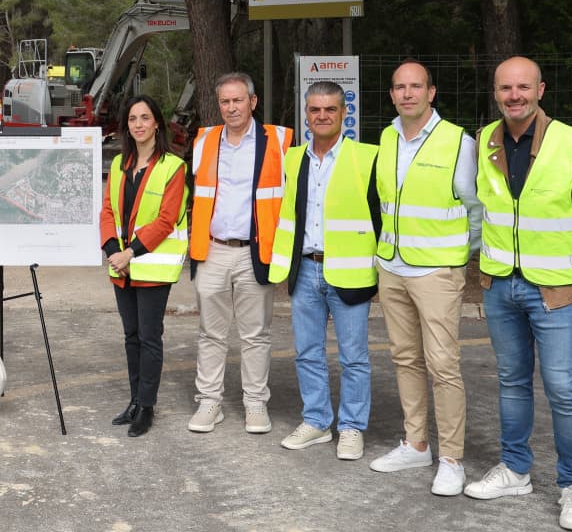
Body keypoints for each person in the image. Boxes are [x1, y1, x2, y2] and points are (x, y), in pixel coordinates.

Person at [463, 56, 572, 532]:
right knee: (511, 382)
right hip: (500, 284)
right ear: (495, 91)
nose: (514, 96)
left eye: (523, 87)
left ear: (541, 90)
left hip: (554, 290)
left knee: (564, 390)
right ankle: (515, 470)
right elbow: (483, 207)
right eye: (505, 88)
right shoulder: (485, 139)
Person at [367, 61, 483, 496]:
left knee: (443, 365)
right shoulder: (388, 136)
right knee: (405, 359)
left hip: (436, 270)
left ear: (431, 93)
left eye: (416, 86)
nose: (408, 93)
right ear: (392, 94)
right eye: (400, 87)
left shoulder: (459, 142)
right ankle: (416, 443)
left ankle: (451, 458)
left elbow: (477, 210)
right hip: (392, 267)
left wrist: (456, 258)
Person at [269, 81, 381, 461]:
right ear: (306, 114)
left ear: (343, 113)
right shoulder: (293, 158)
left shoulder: (367, 157)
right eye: (315, 110)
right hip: (304, 270)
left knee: (354, 357)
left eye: (330, 110)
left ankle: (351, 428)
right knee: (307, 353)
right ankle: (317, 421)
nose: (322, 116)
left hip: (349, 272)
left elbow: (379, 218)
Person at [186, 72, 294, 434]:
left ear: (253, 101)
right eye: (224, 102)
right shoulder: (204, 141)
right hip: (212, 249)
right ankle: (210, 402)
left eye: (237, 100)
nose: (231, 108)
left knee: (255, 334)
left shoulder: (278, 141)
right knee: (210, 333)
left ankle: (254, 404)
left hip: (255, 252)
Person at [99, 95, 190, 438]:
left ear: (157, 124)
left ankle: (147, 407)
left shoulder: (173, 167)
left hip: (150, 267)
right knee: (131, 337)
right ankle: (134, 400)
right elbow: (107, 211)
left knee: (150, 338)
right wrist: (112, 250)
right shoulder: (121, 163)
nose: (138, 124)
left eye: (145, 118)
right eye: (133, 119)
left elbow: (166, 220)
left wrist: (129, 253)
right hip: (121, 266)